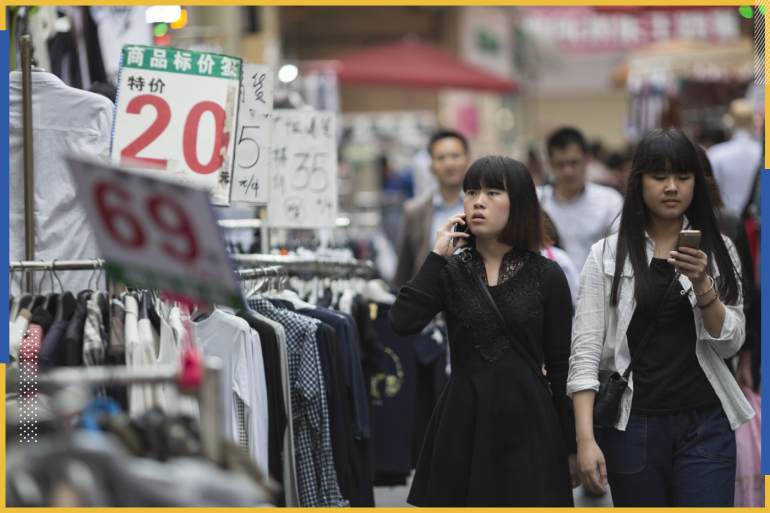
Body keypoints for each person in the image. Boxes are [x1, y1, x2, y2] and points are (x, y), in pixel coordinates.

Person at [568, 127, 755, 507]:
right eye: (659, 177)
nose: (671, 187)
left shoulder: (720, 251)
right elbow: (585, 353)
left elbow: (731, 342)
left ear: (696, 184)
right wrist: (585, 440)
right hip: (632, 427)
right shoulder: (606, 255)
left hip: (705, 424)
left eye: (683, 177)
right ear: (639, 182)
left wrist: (703, 282)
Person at [389, 156, 579, 507]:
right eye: (472, 191)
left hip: (530, 422)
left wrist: (571, 447)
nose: (478, 201)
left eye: (493, 192)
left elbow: (561, 368)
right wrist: (436, 256)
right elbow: (402, 322)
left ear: (519, 202)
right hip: (464, 420)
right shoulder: (450, 271)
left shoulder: (548, 274)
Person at [538, 127, 624, 273]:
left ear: (588, 159)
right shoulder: (536, 202)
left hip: (600, 291)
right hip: (551, 293)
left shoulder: (609, 201)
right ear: (549, 164)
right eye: (560, 164)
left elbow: (622, 251)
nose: (568, 171)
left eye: (574, 163)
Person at [393, 131, 469, 287]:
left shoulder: (481, 207)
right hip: (430, 303)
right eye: (440, 158)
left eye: (455, 156)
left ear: (467, 159)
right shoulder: (414, 210)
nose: (449, 164)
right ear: (431, 165)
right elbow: (404, 267)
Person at [707, 99, 763, 212]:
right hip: (757, 221)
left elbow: (712, 192)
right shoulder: (762, 152)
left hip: (725, 220)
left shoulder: (717, 153)